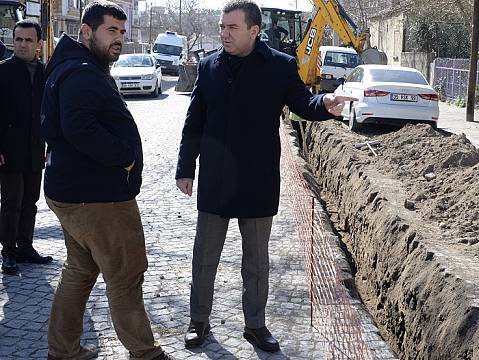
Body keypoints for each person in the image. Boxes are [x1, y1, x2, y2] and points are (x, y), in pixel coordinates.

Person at [175, 0, 355, 353]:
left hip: (257, 181)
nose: (224, 33)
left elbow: (303, 104)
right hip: (215, 181)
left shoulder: (280, 67)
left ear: (254, 31)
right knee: (204, 257)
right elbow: (193, 122)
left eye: (232, 27)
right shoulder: (209, 66)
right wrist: (185, 168)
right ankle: (199, 322)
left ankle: (255, 326)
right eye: (222, 27)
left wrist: (326, 105)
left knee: (256, 261)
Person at [40, 1, 175, 359]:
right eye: (111, 31)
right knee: (126, 274)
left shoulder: (76, 65)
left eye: (122, 30)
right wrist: (126, 156)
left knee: (80, 271)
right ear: (86, 32)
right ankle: (145, 352)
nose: (120, 38)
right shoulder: (82, 72)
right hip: (97, 197)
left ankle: (62, 350)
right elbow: (80, 129)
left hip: (74, 191)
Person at [0, 19, 52, 276]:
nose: (22, 44)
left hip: (35, 149)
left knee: (31, 200)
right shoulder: (3, 71)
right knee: (12, 201)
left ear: (39, 44)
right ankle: (8, 252)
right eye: (18, 39)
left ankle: (25, 246)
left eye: (28, 40)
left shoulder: (45, 73)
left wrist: (50, 145)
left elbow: (50, 113)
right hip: (8, 150)